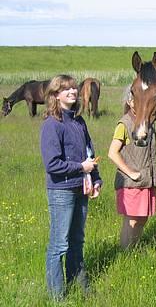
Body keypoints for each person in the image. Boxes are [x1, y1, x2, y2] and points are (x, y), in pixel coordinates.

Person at [40, 74, 102, 300]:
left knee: (77, 241)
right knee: (59, 245)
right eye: (66, 89)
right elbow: (52, 164)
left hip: (81, 189)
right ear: (55, 95)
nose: (73, 92)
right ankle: (57, 297)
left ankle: (81, 288)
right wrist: (81, 167)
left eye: (74, 88)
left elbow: (90, 154)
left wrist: (95, 179)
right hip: (61, 191)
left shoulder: (78, 121)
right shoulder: (52, 125)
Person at [108, 85, 156, 249]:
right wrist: (131, 173)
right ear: (130, 102)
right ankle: (125, 253)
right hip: (132, 183)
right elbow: (112, 152)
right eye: (136, 100)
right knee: (131, 220)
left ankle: (133, 249)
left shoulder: (147, 122)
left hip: (146, 181)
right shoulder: (124, 124)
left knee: (142, 218)